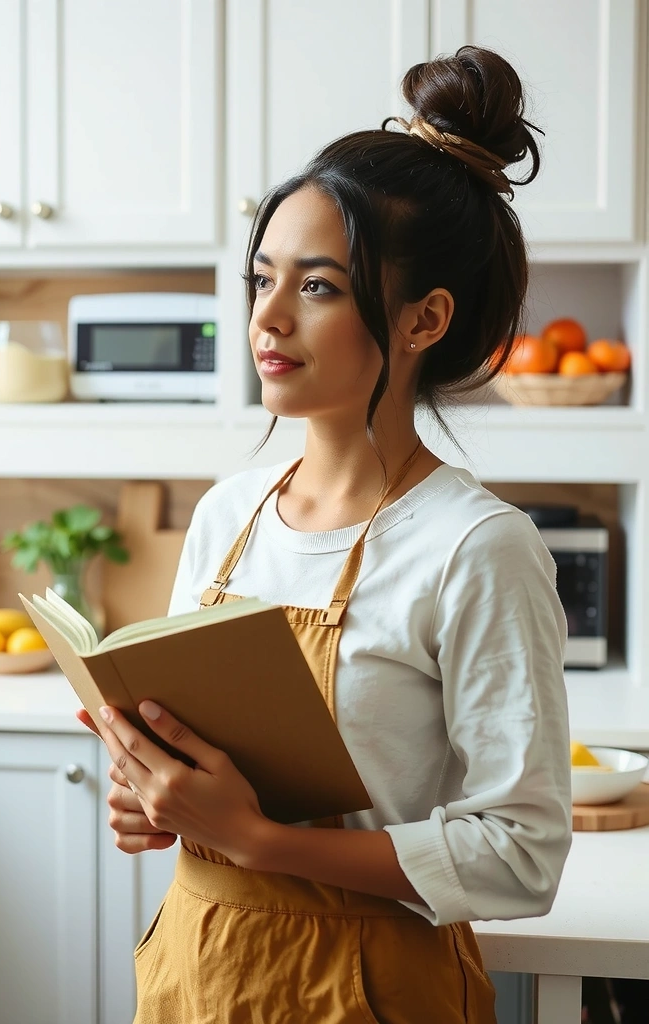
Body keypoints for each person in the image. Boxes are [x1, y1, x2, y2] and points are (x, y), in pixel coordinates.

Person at [78, 44, 572, 1024]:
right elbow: (192, 780)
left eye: (317, 287)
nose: (266, 317)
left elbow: (522, 854)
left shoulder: (477, 547)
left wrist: (264, 841)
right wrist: (151, 796)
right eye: (262, 278)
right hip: (198, 971)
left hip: (372, 988)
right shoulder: (229, 516)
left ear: (425, 318)